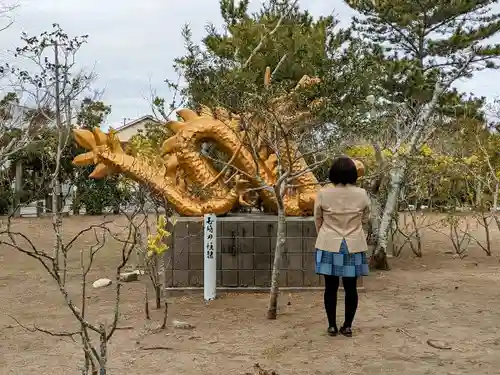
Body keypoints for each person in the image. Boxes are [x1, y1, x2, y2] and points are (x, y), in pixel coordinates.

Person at [314, 156, 370, 337]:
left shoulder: (323, 193)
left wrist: (324, 234)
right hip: (353, 244)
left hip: (329, 243)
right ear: (354, 174)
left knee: (330, 287)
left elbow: (318, 218)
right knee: (351, 287)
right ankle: (347, 326)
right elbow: (366, 219)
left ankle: (331, 325)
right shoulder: (361, 194)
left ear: (333, 174)